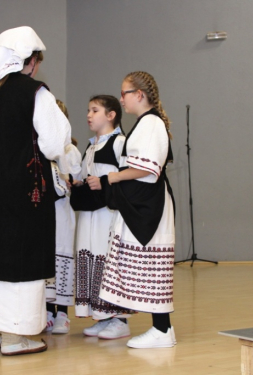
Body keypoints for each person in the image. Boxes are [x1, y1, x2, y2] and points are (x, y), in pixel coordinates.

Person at [0, 26, 71, 356]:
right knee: (21, 253)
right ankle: (15, 336)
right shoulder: (36, 92)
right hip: (22, 188)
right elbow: (53, 145)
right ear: (32, 62)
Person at [89, 71, 176, 348]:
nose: (122, 98)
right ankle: (162, 329)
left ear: (139, 95)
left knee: (152, 266)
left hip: (150, 205)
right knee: (145, 265)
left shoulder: (151, 123)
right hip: (145, 202)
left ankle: (163, 331)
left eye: (125, 93)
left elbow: (147, 167)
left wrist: (112, 177)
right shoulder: (146, 123)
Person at [71, 95, 132, 339]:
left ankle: (121, 319)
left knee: (109, 261)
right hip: (90, 217)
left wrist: (104, 183)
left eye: (94, 110)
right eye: (88, 110)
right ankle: (101, 314)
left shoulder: (120, 143)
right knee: (92, 258)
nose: (88, 114)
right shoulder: (91, 145)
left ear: (111, 115)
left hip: (109, 216)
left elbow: (129, 177)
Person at [44, 100, 81, 334]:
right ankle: (47, 310)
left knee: (62, 256)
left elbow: (75, 179)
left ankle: (63, 314)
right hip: (43, 213)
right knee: (45, 259)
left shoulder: (70, 150)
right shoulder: (36, 148)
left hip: (61, 212)